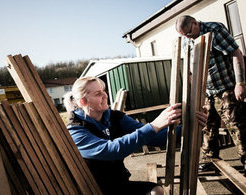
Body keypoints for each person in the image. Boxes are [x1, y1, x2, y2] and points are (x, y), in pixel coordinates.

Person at [64, 76, 207, 195]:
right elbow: (112, 150)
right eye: (98, 94)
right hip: (95, 189)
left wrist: (190, 127)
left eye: (104, 91)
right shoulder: (76, 130)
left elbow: (155, 137)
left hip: (120, 185)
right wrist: (155, 124)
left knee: (157, 192)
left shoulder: (115, 117)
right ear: (83, 101)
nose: (105, 95)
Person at [175, 15, 246, 171]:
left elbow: (236, 53)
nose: (187, 37)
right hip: (205, 92)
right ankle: (210, 159)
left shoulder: (215, 30)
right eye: (183, 35)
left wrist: (240, 83)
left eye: (188, 33)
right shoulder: (188, 40)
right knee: (207, 125)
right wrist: (195, 93)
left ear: (195, 23)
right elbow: (192, 69)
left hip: (226, 88)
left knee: (236, 125)